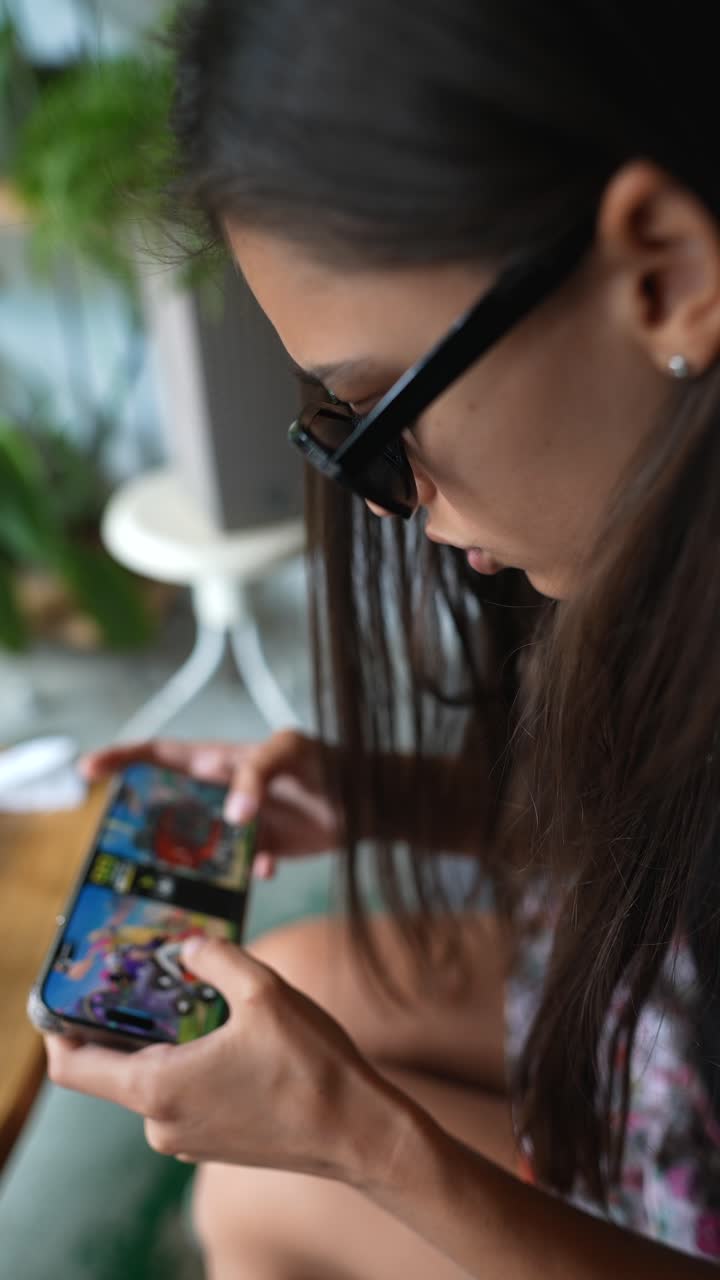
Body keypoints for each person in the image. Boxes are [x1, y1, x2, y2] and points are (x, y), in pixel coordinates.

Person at [45, 1, 720, 1275]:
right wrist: (382, 794)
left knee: (255, 1187)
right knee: (295, 973)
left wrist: (361, 1139)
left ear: (665, 273)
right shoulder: (657, 568)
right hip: (679, 1035)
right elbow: (671, 856)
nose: (393, 503)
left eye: (374, 410)